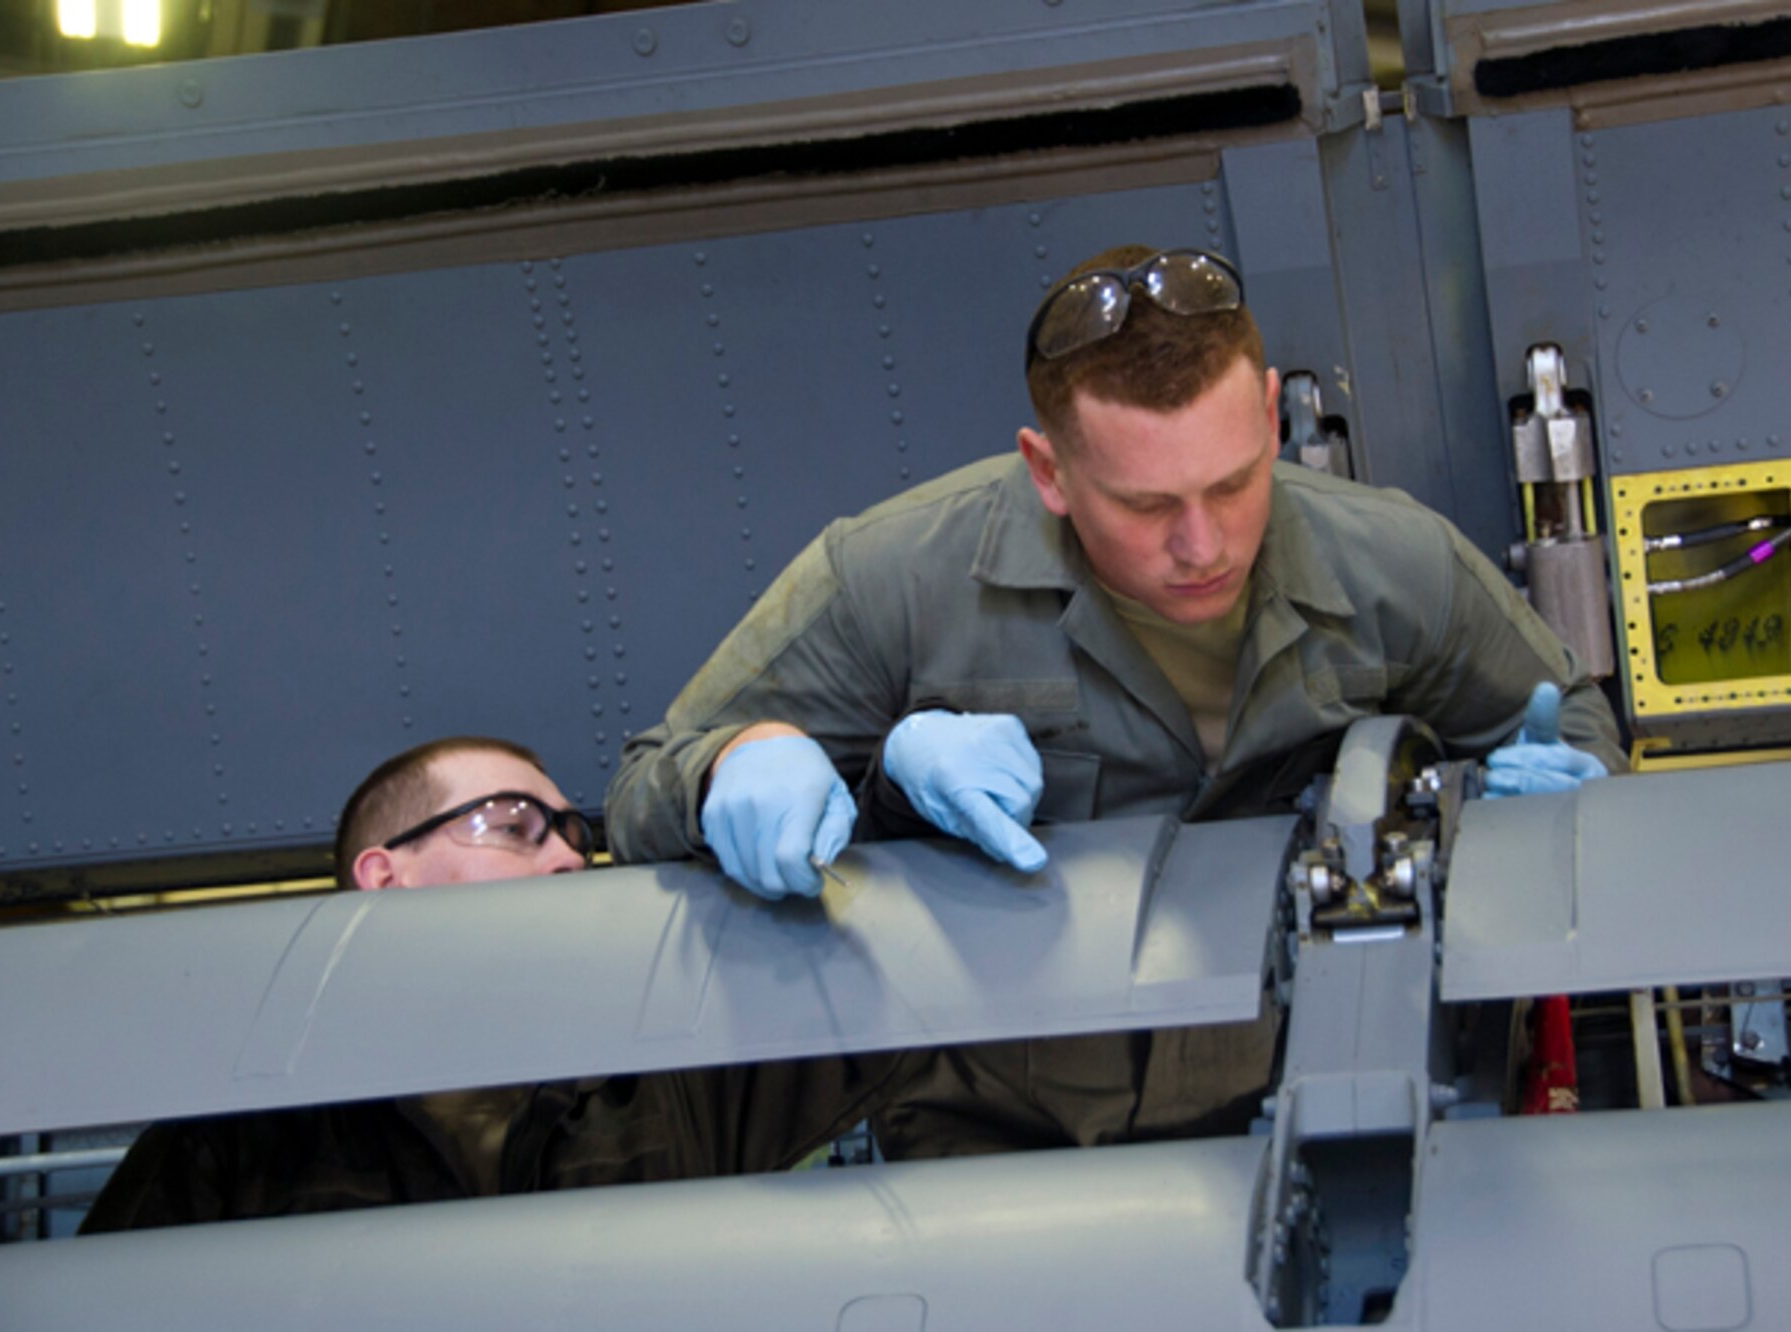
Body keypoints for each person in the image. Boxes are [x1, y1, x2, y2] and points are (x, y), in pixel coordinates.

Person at [604, 243, 1623, 1155]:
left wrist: (1559, 801)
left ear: (1270, 414)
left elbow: (1573, 727)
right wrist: (735, 765)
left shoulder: (1396, 564)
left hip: (1329, 1095)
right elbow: (645, 784)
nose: (1203, 544)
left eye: (1234, 483)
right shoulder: (895, 578)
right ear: (1047, 470)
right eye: (1146, 505)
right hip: (1009, 1131)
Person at [83, 736, 901, 1230]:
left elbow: (890, 991)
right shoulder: (240, 1146)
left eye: (575, 836)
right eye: (514, 826)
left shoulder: (676, 1090)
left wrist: (884, 793)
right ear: (385, 878)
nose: (570, 858)